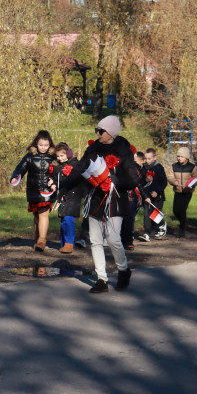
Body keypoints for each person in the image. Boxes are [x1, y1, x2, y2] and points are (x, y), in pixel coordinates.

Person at [58, 115, 139, 293]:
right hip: (94, 199)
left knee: (113, 239)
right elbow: (79, 170)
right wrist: (63, 186)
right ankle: (101, 279)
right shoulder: (93, 148)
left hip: (115, 200)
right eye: (97, 130)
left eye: (101, 131)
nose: (97, 133)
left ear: (110, 132)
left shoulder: (124, 150)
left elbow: (133, 179)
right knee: (95, 240)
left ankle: (123, 269)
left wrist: (114, 180)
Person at [10, 130, 57, 252]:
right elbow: (20, 168)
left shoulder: (53, 157)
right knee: (36, 215)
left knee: (43, 213)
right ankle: (37, 239)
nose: (43, 148)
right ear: (36, 143)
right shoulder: (29, 157)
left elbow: (58, 172)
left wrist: (54, 182)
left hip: (47, 190)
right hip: (33, 190)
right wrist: (15, 177)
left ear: (50, 145)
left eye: (46, 145)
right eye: (41, 145)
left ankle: (42, 240)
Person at [52, 143, 85, 254]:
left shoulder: (75, 164)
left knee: (68, 218)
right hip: (63, 195)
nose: (60, 158)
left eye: (62, 156)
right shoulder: (58, 167)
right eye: (58, 156)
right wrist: (53, 183)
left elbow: (79, 178)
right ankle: (63, 243)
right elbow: (57, 180)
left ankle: (69, 243)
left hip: (74, 195)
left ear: (68, 153)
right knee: (63, 219)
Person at [167, 147, 197, 237]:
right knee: (175, 210)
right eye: (178, 156)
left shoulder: (192, 167)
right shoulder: (174, 166)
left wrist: (190, 186)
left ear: (186, 157)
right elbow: (170, 176)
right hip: (177, 191)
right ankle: (184, 222)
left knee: (182, 210)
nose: (179, 158)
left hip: (187, 192)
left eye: (181, 156)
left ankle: (182, 229)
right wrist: (173, 181)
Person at [139, 148, 168, 241]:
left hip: (157, 197)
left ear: (154, 157)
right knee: (147, 214)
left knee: (154, 215)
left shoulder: (159, 168)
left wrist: (157, 192)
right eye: (146, 159)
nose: (147, 161)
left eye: (149, 159)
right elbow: (140, 181)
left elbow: (164, 182)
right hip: (146, 196)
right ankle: (147, 233)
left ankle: (161, 225)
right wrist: (145, 180)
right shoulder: (143, 168)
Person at [120, 150, 145, 249]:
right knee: (120, 218)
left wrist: (145, 196)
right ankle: (121, 240)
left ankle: (128, 240)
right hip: (120, 194)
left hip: (132, 195)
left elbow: (138, 184)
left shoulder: (135, 168)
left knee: (129, 218)